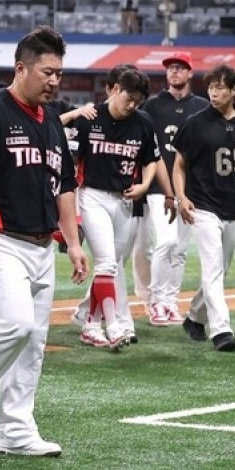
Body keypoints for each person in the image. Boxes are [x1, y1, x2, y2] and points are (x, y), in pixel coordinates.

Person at [0, 25, 88, 457]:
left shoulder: (52, 124)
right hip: (0, 239)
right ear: (20, 67)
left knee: (35, 342)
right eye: (47, 72)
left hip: (43, 244)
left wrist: (74, 242)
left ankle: (16, 430)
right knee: (15, 326)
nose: (54, 81)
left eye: (59, 73)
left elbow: (64, 185)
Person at [173, 63, 235, 352]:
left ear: (233, 91)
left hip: (234, 207)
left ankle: (194, 317)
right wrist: (181, 196)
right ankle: (222, 330)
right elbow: (178, 165)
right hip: (203, 206)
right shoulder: (196, 122)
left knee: (221, 271)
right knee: (213, 269)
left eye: (219, 87)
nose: (213, 93)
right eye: (211, 87)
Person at [72, 66, 159, 349]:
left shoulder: (143, 122)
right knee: (107, 263)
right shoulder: (89, 118)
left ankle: (90, 324)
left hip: (125, 200)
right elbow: (64, 152)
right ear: (113, 90)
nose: (132, 105)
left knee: (111, 266)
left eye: (138, 101)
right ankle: (115, 325)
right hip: (93, 196)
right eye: (128, 98)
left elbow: (151, 159)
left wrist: (145, 185)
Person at [139, 52, 208, 326]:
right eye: (170, 68)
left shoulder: (202, 106)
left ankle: (170, 302)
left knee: (179, 250)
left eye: (180, 68)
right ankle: (156, 302)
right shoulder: (152, 106)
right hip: (159, 187)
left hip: (190, 191)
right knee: (166, 242)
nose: (174, 72)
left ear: (190, 73)